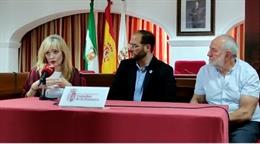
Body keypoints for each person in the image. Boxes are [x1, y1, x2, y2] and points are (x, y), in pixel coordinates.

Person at [190, 34, 260, 142]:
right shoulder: (204, 71)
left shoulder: (248, 73)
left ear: (227, 54)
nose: (208, 54)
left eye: (213, 50)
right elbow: (197, 99)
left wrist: (218, 117)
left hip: (244, 124)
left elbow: (246, 112)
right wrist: (194, 116)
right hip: (213, 121)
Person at [107, 30, 176, 102]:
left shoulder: (164, 70)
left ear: (147, 47)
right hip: (126, 110)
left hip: (150, 111)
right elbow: (113, 94)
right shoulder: (125, 66)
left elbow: (169, 100)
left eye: (135, 46)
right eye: (130, 45)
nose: (130, 49)